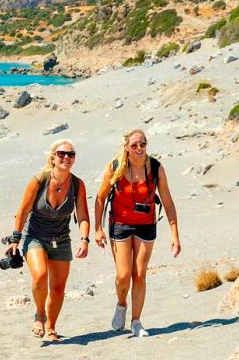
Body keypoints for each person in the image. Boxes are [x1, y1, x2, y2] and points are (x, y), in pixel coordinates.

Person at [93, 128, 181, 337]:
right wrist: (98, 229)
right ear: (126, 147)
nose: (139, 148)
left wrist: (175, 234)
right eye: (134, 145)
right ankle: (122, 304)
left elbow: (167, 201)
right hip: (120, 225)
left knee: (139, 274)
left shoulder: (156, 168)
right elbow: (100, 198)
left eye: (143, 144)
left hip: (146, 225)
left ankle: (136, 322)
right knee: (123, 276)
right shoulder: (115, 167)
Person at [5, 139, 90, 341]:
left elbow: (84, 215)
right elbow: (23, 210)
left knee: (59, 288)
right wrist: (15, 238)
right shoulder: (39, 180)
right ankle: (40, 314)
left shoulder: (77, 184)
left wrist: (84, 239)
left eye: (71, 154)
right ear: (53, 157)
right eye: (61, 154)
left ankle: (51, 327)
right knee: (40, 275)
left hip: (61, 238)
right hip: (34, 235)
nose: (66, 158)